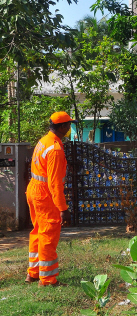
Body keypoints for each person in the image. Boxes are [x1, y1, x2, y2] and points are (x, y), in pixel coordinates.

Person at [26, 112, 76, 287]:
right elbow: (55, 184)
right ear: (62, 127)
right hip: (45, 195)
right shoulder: (55, 149)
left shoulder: (44, 141)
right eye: (68, 125)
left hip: (34, 190)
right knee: (48, 235)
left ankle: (33, 273)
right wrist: (63, 209)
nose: (69, 128)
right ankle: (47, 280)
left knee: (38, 232)